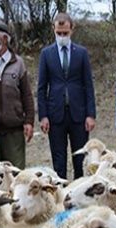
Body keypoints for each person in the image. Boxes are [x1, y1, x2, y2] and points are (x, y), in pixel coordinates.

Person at [37, 12, 96, 180]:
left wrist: (91, 114)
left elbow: (88, 85)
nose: (62, 36)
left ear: (72, 30)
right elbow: (41, 88)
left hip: (79, 114)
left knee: (80, 160)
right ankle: (61, 196)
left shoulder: (81, 53)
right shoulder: (46, 54)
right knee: (59, 161)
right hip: (55, 115)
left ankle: (80, 194)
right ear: (53, 30)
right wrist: (43, 116)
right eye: (59, 33)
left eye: (65, 33)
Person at [0, 23, 35, 169]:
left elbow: (27, 95)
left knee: (16, 174)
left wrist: (29, 121)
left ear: (4, 39)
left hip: (14, 131)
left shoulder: (18, 64)